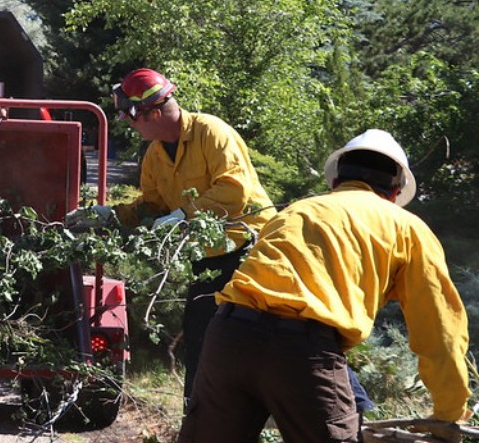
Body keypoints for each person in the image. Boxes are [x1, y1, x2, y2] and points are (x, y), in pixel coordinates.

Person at [178, 129, 471, 443]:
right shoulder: (408, 228)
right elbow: (439, 329)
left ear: (335, 182)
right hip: (302, 350)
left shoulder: (296, 211)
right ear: (396, 191)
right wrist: (449, 412)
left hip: (227, 336)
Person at [65, 68, 276, 402]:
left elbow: (234, 190)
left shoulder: (211, 132)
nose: (128, 125)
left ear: (153, 113)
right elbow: (152, 206)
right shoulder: (155, 155)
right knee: (201, 338)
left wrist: (184, 215)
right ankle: (200, 417)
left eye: (131, 117)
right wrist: (109, 216)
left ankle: (212, 415)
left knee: (223, 339)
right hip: (209, 255)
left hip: (251, 247)